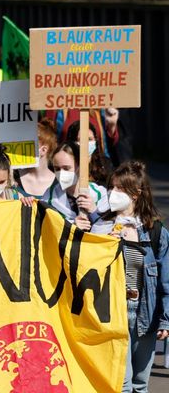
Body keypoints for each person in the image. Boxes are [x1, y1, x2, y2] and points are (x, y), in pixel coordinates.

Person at [85, 161, 168, 393]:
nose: (113, 193)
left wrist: (165, 319)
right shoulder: (101, 225)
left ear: (136, 193)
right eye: (112, 187)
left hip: (145, 313)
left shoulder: (155, 231)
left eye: (120, 189)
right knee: (122, 382)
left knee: (140, 383)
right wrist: (105, 244)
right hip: (114, 311)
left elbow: (165, 281)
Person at [43, 143, 109, 225]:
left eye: (66, 168)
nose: (61, 173)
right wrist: (72, 227)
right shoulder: (49, 196)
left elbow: (108, 226)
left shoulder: (100, 194)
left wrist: (94, 211)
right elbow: (47, 227)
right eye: (57, 168)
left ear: (80, 166)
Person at [16, 120, 59, 197]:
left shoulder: (58, 183)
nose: (21, 148)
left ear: (43, 150)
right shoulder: (13, 177)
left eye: (28, 144)